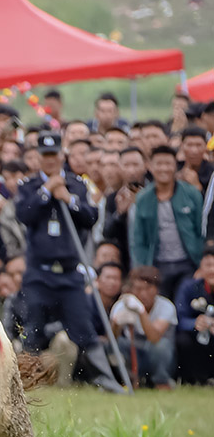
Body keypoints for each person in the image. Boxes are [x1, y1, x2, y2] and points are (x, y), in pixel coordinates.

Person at [15, 132, 124, 393]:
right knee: (32, 328)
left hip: (68, 274)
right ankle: (24, 384)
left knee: (83, 326)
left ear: (61, 156)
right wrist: (45, 191)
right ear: (38, 158)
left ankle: (107, 381)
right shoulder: (29, 186)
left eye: (54, 156)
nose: (50, 161)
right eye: (45, 156)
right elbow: (24, 214)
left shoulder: (76, 184)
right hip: (39, 273)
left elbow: (90, 217)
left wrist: (68, 198)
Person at [131, 145, 205, 299]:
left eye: (168, 163)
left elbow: (201, 231)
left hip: (188, 262)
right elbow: (139, 238)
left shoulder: (191, 194)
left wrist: (202, 264)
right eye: (159, 164)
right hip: (157, 264)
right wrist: (142, 268)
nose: (164, 168)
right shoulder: (143, 198)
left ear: (175, 166)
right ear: (150, 166)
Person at [110, 266, 177, 389]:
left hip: (158, 358)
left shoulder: (166, 306)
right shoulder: (122, 305)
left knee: (161, 346)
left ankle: (161, 382)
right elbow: (112, 339)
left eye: (148, 289)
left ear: (156, 289)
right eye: (138, 289)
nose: (143, 294)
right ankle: (126, 380)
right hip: (133, 355)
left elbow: (154, 337)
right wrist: (116, 324)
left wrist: (141, 312)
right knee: (114, 345)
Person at [175, 248, 214, 385]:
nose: (212, 270)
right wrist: (195, 323)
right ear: (200, 268)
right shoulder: (189, 287)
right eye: (208, 265)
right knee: (182, 340)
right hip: (198, 338)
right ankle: (192, 380)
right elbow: (179, 318)